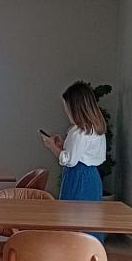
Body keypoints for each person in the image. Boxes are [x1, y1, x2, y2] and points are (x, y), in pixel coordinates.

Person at [41, 81, 107, 240]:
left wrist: (52, 146)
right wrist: (63, 145)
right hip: (92, 177)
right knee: (90, 219)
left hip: (77, 177)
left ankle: (72, 250)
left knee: (72, 218)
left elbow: (69, 160)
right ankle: (90, 250)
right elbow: (84, 153)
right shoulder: (95, 128)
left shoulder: (78, 132)